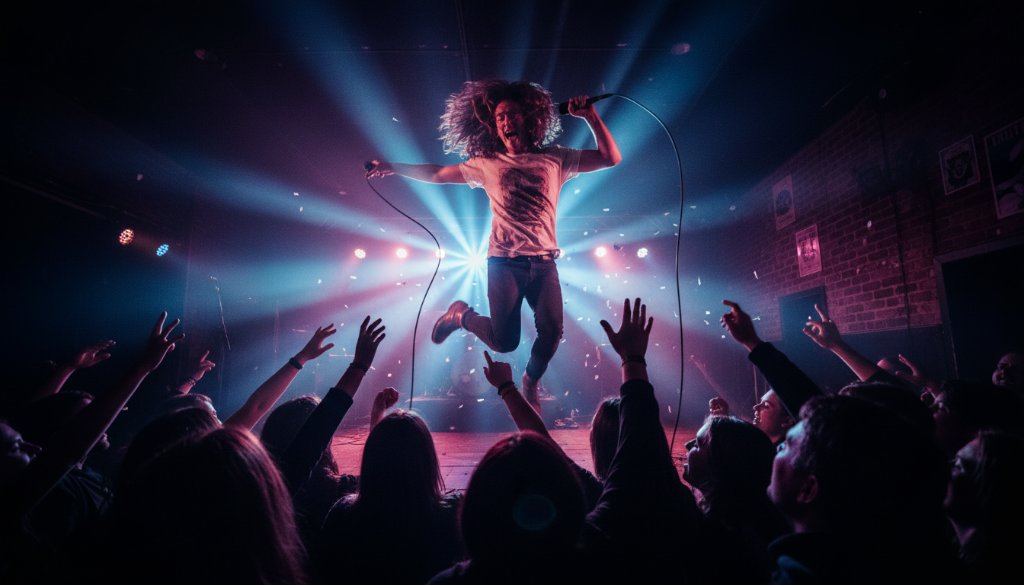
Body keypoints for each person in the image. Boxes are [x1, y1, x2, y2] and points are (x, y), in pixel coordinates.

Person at [367, 79, 622, 412]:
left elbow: (610, 158)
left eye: (512, 114)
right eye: (500, 117)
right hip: (504, 263)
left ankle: (530, 379)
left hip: (544, 263)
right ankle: (461, 315)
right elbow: (437, 174)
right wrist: (392, 167)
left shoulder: (555, 157)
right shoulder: (488, 163)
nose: (505, 122)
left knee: (552, 333)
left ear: (529, 118)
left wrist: (590, 116)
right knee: (504, 342)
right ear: (494, 126)